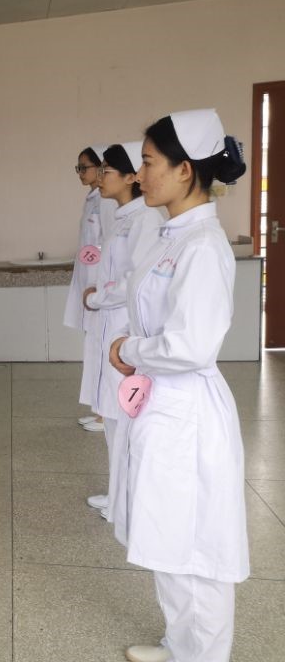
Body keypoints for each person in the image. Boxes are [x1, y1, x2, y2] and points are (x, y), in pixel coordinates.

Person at [107, 109, 248, 662]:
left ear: (185, 169)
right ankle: (179, 644)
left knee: (197, 548)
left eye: (148, 163)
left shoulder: (203, 246)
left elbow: (191, 346)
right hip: (162, 405)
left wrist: (129, 350)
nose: (140, 175)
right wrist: (134, 346)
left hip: (189, 412)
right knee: (169, 534)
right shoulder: (172, 236)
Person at [78, 142, 163, 521]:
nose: (99, 177)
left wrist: (98, 298)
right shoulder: (123, 217)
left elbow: (135, 280)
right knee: (113, 418)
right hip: (108, 326)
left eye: (107, 170)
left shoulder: (146, 219)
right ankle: (119, 496)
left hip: (122, 330)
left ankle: (128, 500)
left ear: (130, 177)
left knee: (125, 419)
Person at [63, 143, 118, 432]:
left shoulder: (107, 202)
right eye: (78, 168)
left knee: (103, 347)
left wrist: (99, 287)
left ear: (101, 168)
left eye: (84, 167)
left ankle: (106, 414)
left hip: (101, 288)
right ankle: (100, 410)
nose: (80, 173)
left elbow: (108, 245)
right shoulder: (93, 198)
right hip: (91, 286)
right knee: (94, 347)